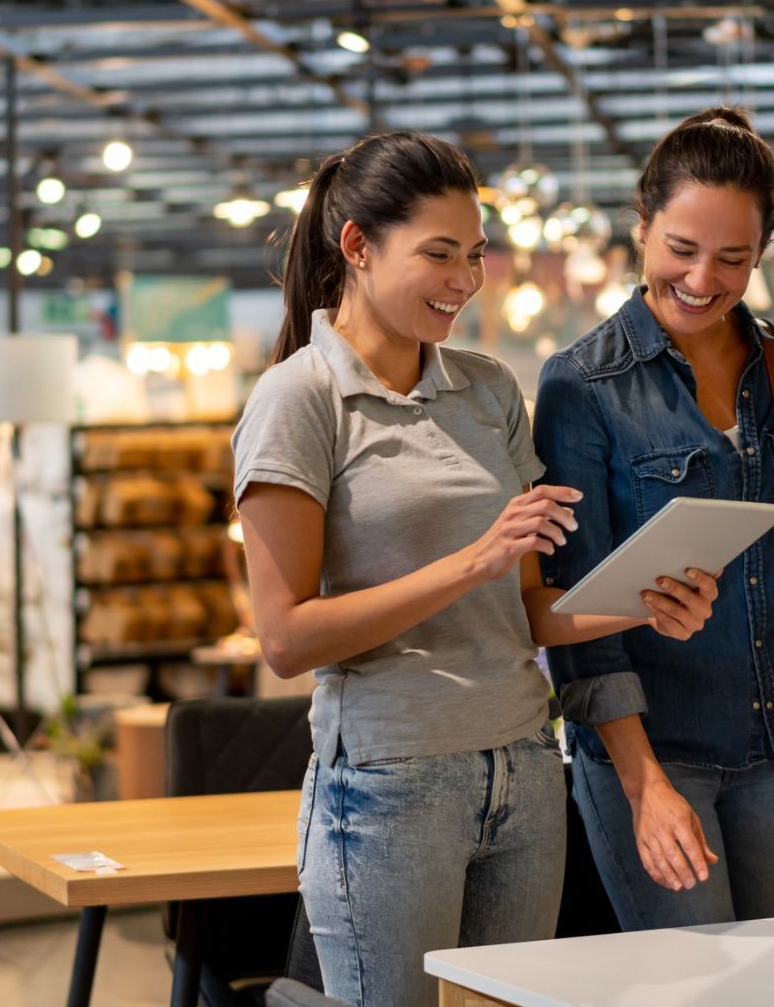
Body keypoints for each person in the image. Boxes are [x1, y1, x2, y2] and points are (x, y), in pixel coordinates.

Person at [233, 130, 719, 1007]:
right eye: (439, 254)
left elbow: (528, 611)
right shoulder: (297, 399)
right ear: (357, 247)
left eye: (476, 254)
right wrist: (472, 562)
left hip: (527, 770)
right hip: (388, 788)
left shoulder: (489, 387)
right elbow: (285, 638)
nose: (466, 280)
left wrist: (645, 601)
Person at [532, 107, 774, 931]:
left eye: (733, 258)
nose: (703, 279)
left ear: (761, 254)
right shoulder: (582, 388)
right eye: (681, 249)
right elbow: (577, 616)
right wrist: (642, 783)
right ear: (641, 228)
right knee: (695, 989)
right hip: (655, 748)